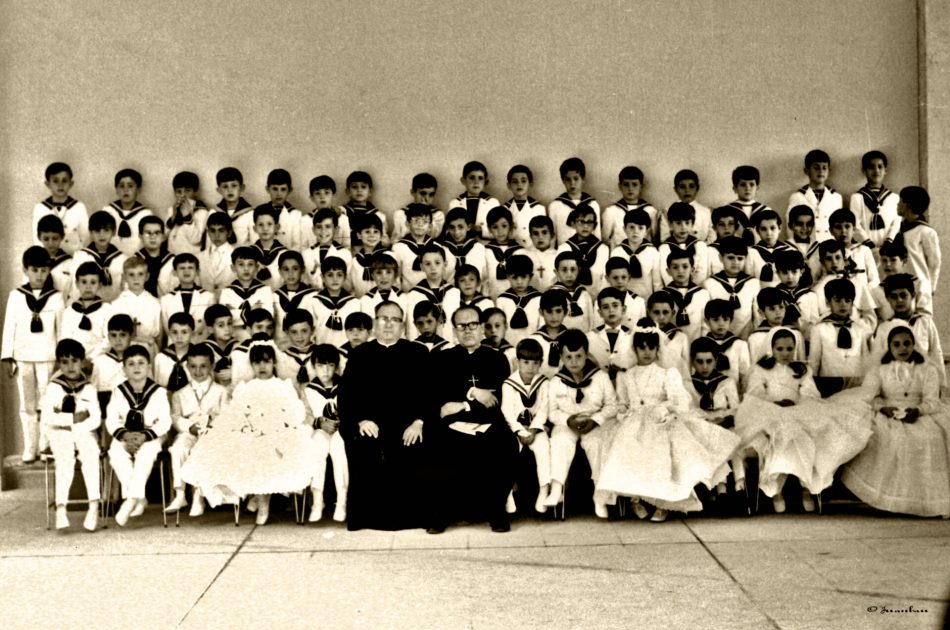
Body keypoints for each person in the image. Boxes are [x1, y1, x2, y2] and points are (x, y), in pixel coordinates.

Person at [595, 328, 739, 522]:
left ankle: (663, 504)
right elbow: (622, 402)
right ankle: (635, 499)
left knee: (662, 451)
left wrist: (663, 408)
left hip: (661, 419)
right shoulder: (626, 375)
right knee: (624, 446)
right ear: (635, 350)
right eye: (642, 348)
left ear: (657, 349)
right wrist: (624, 414)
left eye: (651, 348)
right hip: (634, 420)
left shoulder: (667, 373)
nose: (647, 352)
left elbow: (678, 400)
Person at [181, 336, 316, 525]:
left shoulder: (282, 386)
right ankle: (250, 498)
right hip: (251, 430)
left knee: (268, 450)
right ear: (251, 365)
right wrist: (247, 422)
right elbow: (236, 412)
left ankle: (263, 503)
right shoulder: (246, 387)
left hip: (278, 430)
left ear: (274, 362)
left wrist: (276, 421)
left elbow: (295, 411)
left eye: (266, 362)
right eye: (257, 362)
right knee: (231, 446)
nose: (262, 367)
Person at [735, 329, 870, 513]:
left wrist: (798, 402)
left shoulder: (801, 370)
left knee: (804, 436)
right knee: (780, 436)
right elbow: (755, 394)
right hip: (769, 411)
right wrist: (774, 403)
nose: (785, 353)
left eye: (790, 349)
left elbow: (810, 394)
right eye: (780, 349)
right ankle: (776, 490)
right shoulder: (761, 369)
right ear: (771, 349)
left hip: (798, 410)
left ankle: (806, 488)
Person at [337, 301, 430, 530]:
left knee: (415, 448)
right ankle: (368, 518)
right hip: (371, 424)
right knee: (365, 447)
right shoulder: (360, 355)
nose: (389, 324)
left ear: (403, 326)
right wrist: (361, 420)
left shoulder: (417, 352)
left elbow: (429, 392)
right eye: (384, 318)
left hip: (408, 425)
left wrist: (419, 422)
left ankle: (411, 517)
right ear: (375, 323)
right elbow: (347, 395)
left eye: (395, 320)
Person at [842, 326, 950, 517]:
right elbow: (868, 397)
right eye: (897, 344)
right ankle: (891, 500)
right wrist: (883, 408)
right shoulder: (879, 370)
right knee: (889, 438)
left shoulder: (928, 369)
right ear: (889, 346)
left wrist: (918, 410)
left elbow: (933, 400)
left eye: (907, 343)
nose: (902, 348)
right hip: (888, 412)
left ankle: (924, 502)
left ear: (914, 345)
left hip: (919, 412)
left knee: (930, 438)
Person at [428, 305, 517, 533]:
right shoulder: (442, 359)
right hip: (452, 425)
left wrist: (462, 403)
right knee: (437, 443)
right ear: (454, 331)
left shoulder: (497, 358)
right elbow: (440, 399)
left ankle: (496, 510)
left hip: (488, 421)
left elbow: (496, 399)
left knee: (505, 442)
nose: (467, 330)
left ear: (481, 328)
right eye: (461, 326)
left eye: (473, 325)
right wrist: (475, 393)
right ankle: (441, 514)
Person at [2, 246, 64, 463]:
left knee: (48, 403)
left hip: (48, 356)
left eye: (44, 270)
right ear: (25, 270)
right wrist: (7, 356)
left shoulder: (56, 297)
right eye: (34, 270)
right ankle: (30, 447)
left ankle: (46, 445)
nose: (39, 275)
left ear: (49, 271)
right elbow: (9, 327)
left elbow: (61, 329)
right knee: (27, 406)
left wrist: (61, 358)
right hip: (23, 356)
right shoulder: (16, 296)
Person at [546, 329, 618, 516]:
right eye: (568, 357)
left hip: (593, 422)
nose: (574, 362)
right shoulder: (556, 382)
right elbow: (552, 412)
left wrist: (596, 419)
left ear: (587, 354)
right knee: (560, 441)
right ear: (561, 357)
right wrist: (567, 420)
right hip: (567, 422)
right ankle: (557, 488)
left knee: (596, 443)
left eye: (578, 356)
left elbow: (612, 406)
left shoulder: (600, 377)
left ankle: (599, 495)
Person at [106, 344, 171, 526]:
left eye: (141, 363)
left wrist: (144, 436)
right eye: (131, 363)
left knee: (145, 455)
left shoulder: (158, 392)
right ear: (124, 369)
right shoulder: (118, 391)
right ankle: (139, 498)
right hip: (126, 434)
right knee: (116, 453)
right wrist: (126, 436)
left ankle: (131, 500)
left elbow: (165, 422)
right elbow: (112, 420)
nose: (136, 367)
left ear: (149, 366)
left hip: (151, 435)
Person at [41, 339, 101, 531]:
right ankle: (61, 508)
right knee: (64, 458)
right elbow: (49, 417)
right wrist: (73, 418)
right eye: (65, 362)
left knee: (91, 454)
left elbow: (96, 419)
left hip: (83, 431)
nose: (70, 366)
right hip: (59, 433)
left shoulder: (89, 388)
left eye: (75, 361)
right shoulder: (53, 387)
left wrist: (74, 426)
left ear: (82, 362)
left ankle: (93, 506)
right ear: (59, 364)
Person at [167, 343, 229, 517]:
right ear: (187, 367)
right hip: (189, 432)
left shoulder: (221, 391)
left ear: (212, 366)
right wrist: (190, 427)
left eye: (203, 366)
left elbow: (226, 414)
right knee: (178, 449)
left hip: (213, 434)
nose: (198, 371)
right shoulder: (180, 393)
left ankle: (198, 495)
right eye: (193, 366)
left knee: (204, 450)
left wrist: (212, 427)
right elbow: (175, 417)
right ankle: (180, 494)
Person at [501, 338, 551, 513]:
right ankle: (507, 494)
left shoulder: (544, 383)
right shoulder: (508, 384)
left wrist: (534, 429)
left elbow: (544, 409)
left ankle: (544, 491)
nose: (530, 367)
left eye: (535, 363)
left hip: (536, 429)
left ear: (541, 363)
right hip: (515, 430)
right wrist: (520, 431)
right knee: (508, 449)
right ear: (517, 362)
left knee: (543, 447)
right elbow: (507, 412)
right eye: (526, 362)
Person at [302, 344, 348, 522]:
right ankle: (317, 500)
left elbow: (352, 410)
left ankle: (341, 501)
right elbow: (304, 414)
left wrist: (340, 422)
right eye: (321, 365)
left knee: (339, 450)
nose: (326, 371)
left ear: (336, 367)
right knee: (318, 449)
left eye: (330, 365)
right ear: (314, 366)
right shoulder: (308, 389)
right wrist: (319, 422)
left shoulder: (344, 386)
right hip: (319, 430)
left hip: (340, 431)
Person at [702, 236, 760, 338]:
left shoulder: (753, 283)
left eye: (740, 258)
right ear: (721, 257)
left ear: (745, 259)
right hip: (717, 338)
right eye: (730, 257)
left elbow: (757, 316)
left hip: (745, 337)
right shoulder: (710, 283)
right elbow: (706, 317)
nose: (735, 262)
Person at [894, 186, 940, 312]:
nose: (897, 205)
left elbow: (934, 263)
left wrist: (930, 288)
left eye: (900, 201)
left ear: (908, 205)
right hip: (901, 288)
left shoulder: (926, 232)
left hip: (919, 288)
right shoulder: (901, 230)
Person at [218, 246, 275, 342]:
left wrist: (236, 313)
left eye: (250, 264)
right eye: (241, 264)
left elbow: (268, 317)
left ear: (257, 267)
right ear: (233, 268)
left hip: (259, 339)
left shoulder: (265, 290)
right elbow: (224, 320)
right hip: (234, 340)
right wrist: (253, 311)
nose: (246, 269)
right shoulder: (226, 292)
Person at [32, 162, 89, 255]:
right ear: (48, 184)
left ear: (71, 183)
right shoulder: (40, 208)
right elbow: (37, 238)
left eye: (64, 181)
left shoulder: (79, 207)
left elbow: (85, 236)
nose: (60, 185)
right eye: (55, 181)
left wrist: (79, 256)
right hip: (48, 258)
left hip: (73, 257)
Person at [70, 210, 127, 302]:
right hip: (88, 304)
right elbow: (75, 286)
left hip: (114, 305)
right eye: (97, 231)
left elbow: (125, 287)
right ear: (91, 233)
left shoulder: (122, 258)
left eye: (106, 230)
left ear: (113, 232)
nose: (102, 235)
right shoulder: (80, 256)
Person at [110, 256, 162, 357]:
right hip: (125, 350)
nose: (136, 279)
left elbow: (159, 336)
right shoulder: (116, 304)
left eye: (140, 274)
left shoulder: (155, 303)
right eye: (131, 274)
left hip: (149, 348)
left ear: (147, 276)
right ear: (124, 277)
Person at [61, 262, 113, 362]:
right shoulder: (69, 312)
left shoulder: (107, 310)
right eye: (84, 282)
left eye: (93, 282)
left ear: (100, 285)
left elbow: (109, 340)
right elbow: (65, 339)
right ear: (77, 284)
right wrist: (76, 359)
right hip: (74, 361)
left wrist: (90, 358)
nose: (88, 287)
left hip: (99, 360)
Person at [786, 149, 842, 242]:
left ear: (829, 170)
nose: (821, 171)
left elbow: (839, 225)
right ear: (806, 171)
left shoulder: (836, 197)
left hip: (830, 246)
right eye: (816, 168)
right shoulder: (797, 197)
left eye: (824, 168)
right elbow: (790, 227)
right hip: (807, 245)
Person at [160, 253, 215, 342]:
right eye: (182, 268)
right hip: (175, 345)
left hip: (200, 344)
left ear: (197, 271)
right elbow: (167, 329)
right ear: (174, 272)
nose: (186, 271)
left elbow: (210, 326)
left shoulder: (208, 297)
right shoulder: (166, 300)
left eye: (190, 267)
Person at [850, 150, 899, 250]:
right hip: (864, 247)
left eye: (880, 167)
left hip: (888, 248)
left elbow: (896, 223)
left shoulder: (894, 197)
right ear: (864, 170)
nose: (876, 170)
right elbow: (855, 223)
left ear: (885, 170)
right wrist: (868, 243)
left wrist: (889, 241)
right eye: (871, 167)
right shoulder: (857, 197)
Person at [557, 204, 608, 295]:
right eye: (581, 221)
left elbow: (604, 279)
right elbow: (560, 277)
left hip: (596, 295)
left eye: (589, 222)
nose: (585, 226)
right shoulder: (564, 248)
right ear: (573, 223)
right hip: (570, 295)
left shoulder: (603, 249)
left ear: (594, 226)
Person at [548, 157, 601, 245]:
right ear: (563, 181)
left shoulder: (593, 204)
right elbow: (552, 237)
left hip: (588, 251)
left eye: (576, 178)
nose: (572, 183)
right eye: (568, 179)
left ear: (583, 179)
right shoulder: (555, 206)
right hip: (564, 251)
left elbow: (597, 234)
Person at [610, 208, 661, 300]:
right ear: (624, 229)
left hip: (646, 299)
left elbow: (657, 282)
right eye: (631, 227)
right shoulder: (617, 252)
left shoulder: (653, 252)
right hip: (622, 300)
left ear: (647, 231)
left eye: (640, 228)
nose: (635, 231)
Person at [657, 202, 711, 285]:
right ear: (670, 224)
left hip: (695, 288)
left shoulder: (700, 246)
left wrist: (690, 287)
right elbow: (665, 273)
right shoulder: (664, 248)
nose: (683, 227)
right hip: (673, 288)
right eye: (678, 223)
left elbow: (701, 272)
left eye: (687, 223)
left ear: (692, 224)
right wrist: (678, 286)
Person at [602, 166, 657, 247]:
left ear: (641, 186)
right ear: (620, 186)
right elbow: (605, 239)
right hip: (619, 252)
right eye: (626, 184)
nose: (630, 188)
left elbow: (654, 238)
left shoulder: (651, 211)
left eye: (634, 184)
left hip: (644, 253)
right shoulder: (611, 211)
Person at [446, 160, 500, 241]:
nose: (476, 182)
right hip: (461, 245)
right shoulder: (455, 203)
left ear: (486, 182)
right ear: (463, 180)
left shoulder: (492, 203)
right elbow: (448, 230)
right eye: (472, 178)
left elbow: (499, 231)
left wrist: (481, 230)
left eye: (480, 178)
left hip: (485, 245)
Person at [103, 168, 153, 256]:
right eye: (121, 186)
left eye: (130, 186)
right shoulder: (107, 211)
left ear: (138, 189)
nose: (125, 190)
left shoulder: (146, 214)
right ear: (116, 189)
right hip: (110, 258)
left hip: (137, 260)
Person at [301, 208, 352, 290]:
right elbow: (304, 282)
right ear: (313, 230)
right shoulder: (306, 254)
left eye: (328, 226)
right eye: (319, 227)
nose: (323, 231)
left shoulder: (345, 254)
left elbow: (347, 285)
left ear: (336, 229)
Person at [496, 255, 542, 347]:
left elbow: (541, 327)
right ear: (508, 277)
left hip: (534, 348)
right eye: (514, 277)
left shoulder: (539, 299)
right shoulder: (502, 300)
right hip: (509, 346)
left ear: (530, 277)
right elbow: (499, 328)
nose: (519, 282)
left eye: (523, 277)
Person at [255, 168, 304, 251]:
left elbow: (297, 244)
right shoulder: (260, 213)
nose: (279, 193)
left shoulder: (296, 215)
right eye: (275, 189)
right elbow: (256, 239)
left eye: (283, 189)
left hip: (288, 256)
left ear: (290, 190)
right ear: (267, 189)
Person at [658, 169, 712, 243]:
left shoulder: (706, 212)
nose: (687, 190)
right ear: (675, 189)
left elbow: (711, 239)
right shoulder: (667, 211)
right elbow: (664, 238)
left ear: (697, 188)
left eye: (691, 186)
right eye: (682, 187)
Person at [340, 171, 389, 248]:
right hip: (347, 249)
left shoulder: (378, 215)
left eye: (363, 187)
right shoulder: (342, 212)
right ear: (348, 191)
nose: (359, 190)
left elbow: (384, 240)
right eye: (354, 187)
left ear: (370, 191)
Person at [165, 170, 209, 256]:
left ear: (196, 192)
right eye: (179, 191)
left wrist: (187, 216)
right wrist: (172, 218)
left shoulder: (202, 212)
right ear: (174, 193)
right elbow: (164, 236)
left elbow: (195, 239)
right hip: (172, 256)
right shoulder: (171, 210)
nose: (183, 195)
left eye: (187, 191)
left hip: (191, 258)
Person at [391, 172, 443, 243]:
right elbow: (395, 240)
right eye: (423, 193)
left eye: (431, 195)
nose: (426, 199)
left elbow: (433, 236)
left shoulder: (437, 215)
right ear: (412, 192)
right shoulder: (401, 214)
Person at [503, 165, 546, 250]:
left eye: (523, 181)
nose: (519, 184)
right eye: (515, 182)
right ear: (509, 185)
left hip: (532, 251)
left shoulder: (539, 209)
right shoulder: (504, 208)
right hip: (511, 251)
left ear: (530, 184)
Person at [725, 165, 770, 245]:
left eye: (751, 184)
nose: (747, 188)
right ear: (735, 188)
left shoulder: (766, 211)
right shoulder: (727, 211)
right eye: (743, 184)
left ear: (757, 188)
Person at [211, 167, 255, 246]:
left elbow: (254, 242)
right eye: (225, 186)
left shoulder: (250, 214)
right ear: (219, 190)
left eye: (234, 185)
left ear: (242, 188)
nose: (229, 190)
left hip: (243, 253)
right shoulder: (213, 213)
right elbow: (209, 242)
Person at [197, 211, 236, 296]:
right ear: (208, 232)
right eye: (212, 231)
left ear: (229, 233)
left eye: (221, 230)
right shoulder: (199, 257)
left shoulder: (237, 256)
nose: (216, 235)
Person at [153, 312, 194, 393]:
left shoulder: (200, 357)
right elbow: (156, 385)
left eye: (184, 332)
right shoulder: (160, 358)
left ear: (192, 333)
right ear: (169, 333)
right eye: (174, 332)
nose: (179, 337)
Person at [136, 215, 177, 297]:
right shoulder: (134, 260)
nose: (153, 237)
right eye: (148, 233)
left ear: (163, 236)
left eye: (157, 233)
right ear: (140, 236)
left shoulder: (172, 262)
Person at [250, 205, 287, 291]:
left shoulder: (285, 254)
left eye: (269, 224)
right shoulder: (249, 253)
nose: (265, 228)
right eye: (260, 225)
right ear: (255, 228)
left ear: (277, 227)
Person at [35, 214, 74, 297]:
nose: (50, 243)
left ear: (62, 237)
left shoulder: (70, 263)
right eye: (46, 239)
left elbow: (74, 291)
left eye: (55, 238)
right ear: (39, 237)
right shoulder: (32, 262)